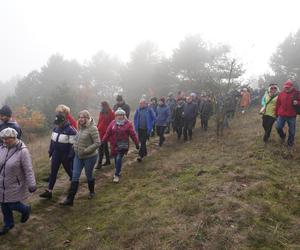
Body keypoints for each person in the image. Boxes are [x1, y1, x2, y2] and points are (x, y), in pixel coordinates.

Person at [0, 128, 36, 236]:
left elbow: (28, 169)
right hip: (2, 182)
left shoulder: (22, 151)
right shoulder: (2, 148)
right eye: (3, 139)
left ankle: (25, 210)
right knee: (3, 203)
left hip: (15, 183)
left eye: (8, 139)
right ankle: (8, 224)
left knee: (12, 204)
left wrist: (32, 184)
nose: (5, 141)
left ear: (14, 137)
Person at [61, 110, 100, 206]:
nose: (81, 119)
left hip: (90, 157)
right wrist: (74, 146)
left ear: (87, 118)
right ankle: (70, 199)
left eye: (83, 117)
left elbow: (98, 143)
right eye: (80, 117)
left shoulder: (92, 128)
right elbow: (77, 139)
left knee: (88, 175)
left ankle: (92, 192)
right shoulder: (80, 127)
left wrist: (86, 150)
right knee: (75, 176)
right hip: (78, 156)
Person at [39, 114, 77, 199]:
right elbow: (52, 141)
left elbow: (73, 145)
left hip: (66, 155)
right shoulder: (55, 129)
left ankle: (74, 183)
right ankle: (49, 191)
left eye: (59, 122)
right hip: (56, 153)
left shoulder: (71, 130)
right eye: (57, 123)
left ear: (64, 121)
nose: (58, 124)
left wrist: (70, 155)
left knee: (69, 171)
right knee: (53, 172)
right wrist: (51, 151)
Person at [102, 108, 139, 183]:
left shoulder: (128, 124)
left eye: (121, 115)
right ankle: (118, 170)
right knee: (116, 159)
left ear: (124, 115)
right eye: (118, 115)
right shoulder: (112, 123)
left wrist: (136, 143)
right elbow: (108, 133)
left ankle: (116, 175)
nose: (119, 116)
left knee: (118, 158)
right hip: (114, 145)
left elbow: (133, 134)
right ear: (115, 116)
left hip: (122, 145)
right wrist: (103, 141)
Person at [275, 80, 300, 147]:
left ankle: (290, 144)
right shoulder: (281, 94)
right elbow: (278, 104)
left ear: (292, 87)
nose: (287, 88)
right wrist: (276, 114)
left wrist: (297, 102)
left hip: (292, 115)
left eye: (288, 87)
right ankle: (283, 136)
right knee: (278, 127)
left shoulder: (297, 93)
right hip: (282, 114)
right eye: (286, 87)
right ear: (284, 87)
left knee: (292, 131)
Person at [96, 101, 115, 169]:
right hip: (100, 131)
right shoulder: (101, 112)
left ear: (104, 105)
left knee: (101, 147)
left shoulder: (110, 112)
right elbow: (99, 121)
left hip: (106, 132)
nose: (101, 106)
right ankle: (107, 160)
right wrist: (97, 128)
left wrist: (111, 131)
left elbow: (113, 122)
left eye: (101, 105)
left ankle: (99, 163)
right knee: (104, 146)